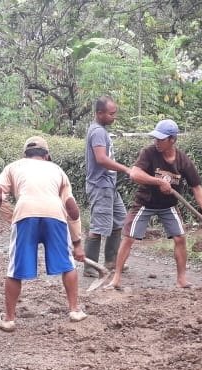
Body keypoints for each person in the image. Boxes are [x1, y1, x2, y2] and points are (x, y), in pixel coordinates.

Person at [0, 136, 88, 331]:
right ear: (47, 155)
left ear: (24, 154)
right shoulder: (57, 170)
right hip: (55, 214)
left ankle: (8, 319)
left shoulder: (14, 166)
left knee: (14, 269)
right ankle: (75, 310)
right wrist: (77, 243)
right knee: (68, 264)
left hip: (26, 213)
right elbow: (72, 208)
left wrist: (12, 216)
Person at [109, 120, 202, 289]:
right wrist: (157, 181)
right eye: (155, 138)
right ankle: (116, 278)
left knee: (180, 238)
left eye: (161, 139)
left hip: (168, 205)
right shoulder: (149, 153)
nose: (156, 142)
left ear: (172, 140)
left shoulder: (183, 161)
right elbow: (135, 174)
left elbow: (196, 187)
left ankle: (182, 279)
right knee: (129, 237)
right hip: (145, 202)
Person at [84, 96, 130, 277]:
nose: (114, 117)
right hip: (100, 186)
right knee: (98, 227)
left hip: (109, 185)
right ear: (100, 113)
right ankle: (90, 267)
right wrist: (126, 169)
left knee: (119, 220)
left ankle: (111, 261)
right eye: (111, 114)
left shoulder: (101, 130)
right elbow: (101, 159)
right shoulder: (97, 132)